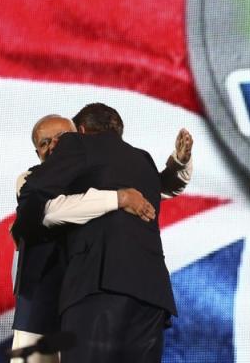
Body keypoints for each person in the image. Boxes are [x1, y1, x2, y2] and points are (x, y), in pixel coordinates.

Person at [13, 104, 190, 362]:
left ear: (78, 135)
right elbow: (48, 212)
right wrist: (119, 198)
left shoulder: (89, 162)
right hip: (44, 304)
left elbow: (154, 184)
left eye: (63, 139)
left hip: (91, 290)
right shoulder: (31, 178)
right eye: (44, 143)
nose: (54, 147)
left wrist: (178, 165)